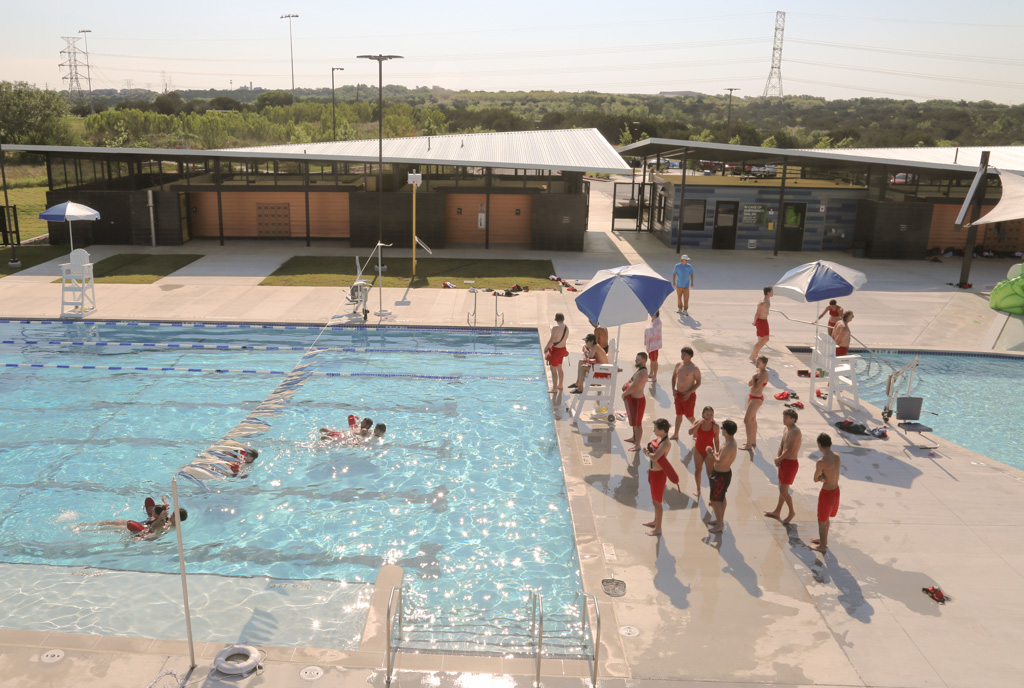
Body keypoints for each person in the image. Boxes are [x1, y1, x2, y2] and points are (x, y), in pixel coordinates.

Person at [83, 496, 188, 539]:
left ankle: (89, 530)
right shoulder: (170, 520)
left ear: (177, 518)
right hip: (146, 523)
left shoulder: (169, 526)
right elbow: (165, 514)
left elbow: (153, 530)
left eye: (173, 515)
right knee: (115, 521)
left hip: (143, 530)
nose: (171, 515)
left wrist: (159, 518)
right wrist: (165, 503)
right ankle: (89, 525)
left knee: (114, 527)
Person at [642, 418, 680, 536]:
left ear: (662, 430)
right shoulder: (659, 439)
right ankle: (655, 521)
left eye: (655, 429)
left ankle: (658, 528)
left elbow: (654, 457)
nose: (653, 430)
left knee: (657, 502)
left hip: (659, 475)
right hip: (653, 473)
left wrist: (646, 452)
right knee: (655, 501)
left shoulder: (666, 443)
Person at [764, 408, 802, 523]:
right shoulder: (786, 429)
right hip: (784, 461)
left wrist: (779, 459)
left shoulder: (795, 431)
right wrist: (778, 457)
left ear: (793, 420)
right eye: (783, 417)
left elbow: (790, 450)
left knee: (783, 491)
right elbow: (782, 444)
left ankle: (791, 512)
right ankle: (777, 511)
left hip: (790, 463)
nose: (783, 419)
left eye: (786, 418)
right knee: (781, 489)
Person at [812, 433, 842, 553]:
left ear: (819, 445)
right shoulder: (837, 456)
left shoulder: (821, 461)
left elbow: (815, 479)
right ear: (831, 444)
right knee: (827, 517)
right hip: (836, 491)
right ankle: (823, 540)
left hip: (827, 493)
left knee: (821, 520)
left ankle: (822, 546)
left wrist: (821, 478)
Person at [707, 419, 738, 533]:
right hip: (721, 474)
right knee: (721, 498)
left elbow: (720, 462)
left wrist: (710, 454)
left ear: (726, 431)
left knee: (715, 501)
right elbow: (721, 456)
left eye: (722, 428)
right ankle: (719, 520)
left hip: (721, 476)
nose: (721, 430)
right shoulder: (727, 442)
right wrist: (714, 454)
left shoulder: (729, 445)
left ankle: (720, 525)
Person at [687, 406, 720, 498]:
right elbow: (690, 432)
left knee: (710, 473)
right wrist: (698, 424)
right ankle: (698, 489)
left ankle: (712, 494)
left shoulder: (716, 426)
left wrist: (718, 453)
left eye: (711, 414)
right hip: (698, 450)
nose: (709, 416)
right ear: (703, 415)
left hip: (709, 452)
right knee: (698, 470)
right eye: (707, 414)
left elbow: (716, 441)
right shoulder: (698, 423)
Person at [669, 346, 701, 439]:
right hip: (678, 394)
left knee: (689, 415)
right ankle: (676, 434)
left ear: (690, 356)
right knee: (678, 414)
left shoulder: (694, 368)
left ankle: (696, 431)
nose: (682, 355)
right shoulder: (678, 365)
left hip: (689, 395)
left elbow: (698, 382)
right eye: (681, 353)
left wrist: (689, 392)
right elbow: (674, 377)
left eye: (684, 354)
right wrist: (673, 389)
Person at [622, 352, 650, 451]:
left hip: (639, 401)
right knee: (633, 421)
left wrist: (625, 393)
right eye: (636, 359)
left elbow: (634, 386)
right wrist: (626, 384)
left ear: (644, 361)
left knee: (638, 424)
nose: (636, 361)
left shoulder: (643, 372)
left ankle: (637, 445)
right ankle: (634, 438)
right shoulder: (639, 370)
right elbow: (631, 380)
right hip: (633, 400)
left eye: (638, 359)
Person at [741, 356, 769, 451]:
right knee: (752, 420)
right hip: (752, 396)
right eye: (757, 362)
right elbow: (749, 384)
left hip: (757, 399)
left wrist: (753, 378)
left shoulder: (764, 374)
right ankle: (753, 441)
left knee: (746, 420)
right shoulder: (758, 371)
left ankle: (748, 444)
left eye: (759, 363)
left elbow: (756, 388)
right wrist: (753, 378)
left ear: (764, 364)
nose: (757, 364)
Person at [543, 313, 569, 393]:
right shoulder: (566, 328)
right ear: (563, 319)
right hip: (563, 349)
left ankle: (554, 388)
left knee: (553, 369)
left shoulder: (555, 328)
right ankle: (560, 385)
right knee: (559, 368)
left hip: (556, 350)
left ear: (556, 319)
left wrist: (546, 347)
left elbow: (552, 340)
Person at [750, 286, 773, 362]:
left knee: (766, 339)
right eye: (772, 291)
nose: (773, 293)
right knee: (760, 340)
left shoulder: (768, 299)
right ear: (768, 292)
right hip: (760, 321)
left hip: (765, 321)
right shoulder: (762, 302)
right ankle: (752, 356)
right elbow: (758, 313)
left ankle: (755, 353)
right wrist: (754, 321)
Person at [644, 311, 663, 383]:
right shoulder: (653, 320)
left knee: (654, 360)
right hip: (651, 343)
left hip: (655, 345)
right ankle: (651, 372)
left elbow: (653, 331)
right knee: (651, 359)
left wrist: (647, 329)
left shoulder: (658, 322)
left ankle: (655, 376)